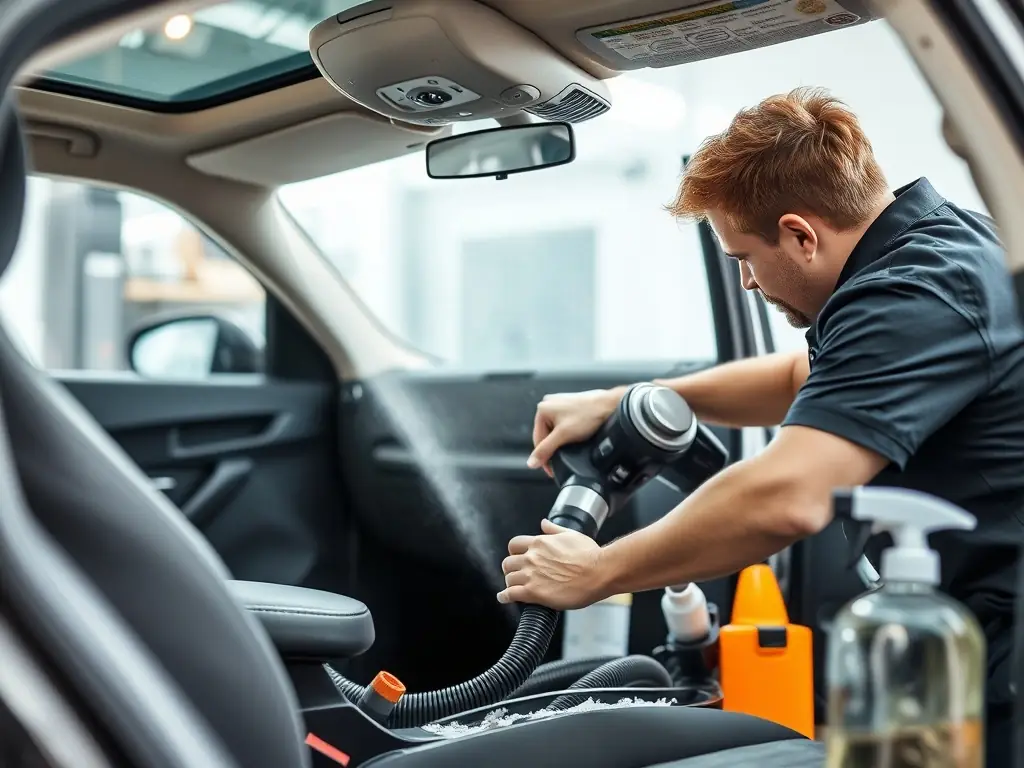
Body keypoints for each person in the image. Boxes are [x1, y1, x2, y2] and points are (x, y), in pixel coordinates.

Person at [497, 87, 1024, 763]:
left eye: (744, 256)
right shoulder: (925, 252)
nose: (746, 282)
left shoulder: (916, 295)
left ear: (801, 235)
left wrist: (598, 572)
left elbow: (787, 497)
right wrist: (628, 396)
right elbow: (793, 382)